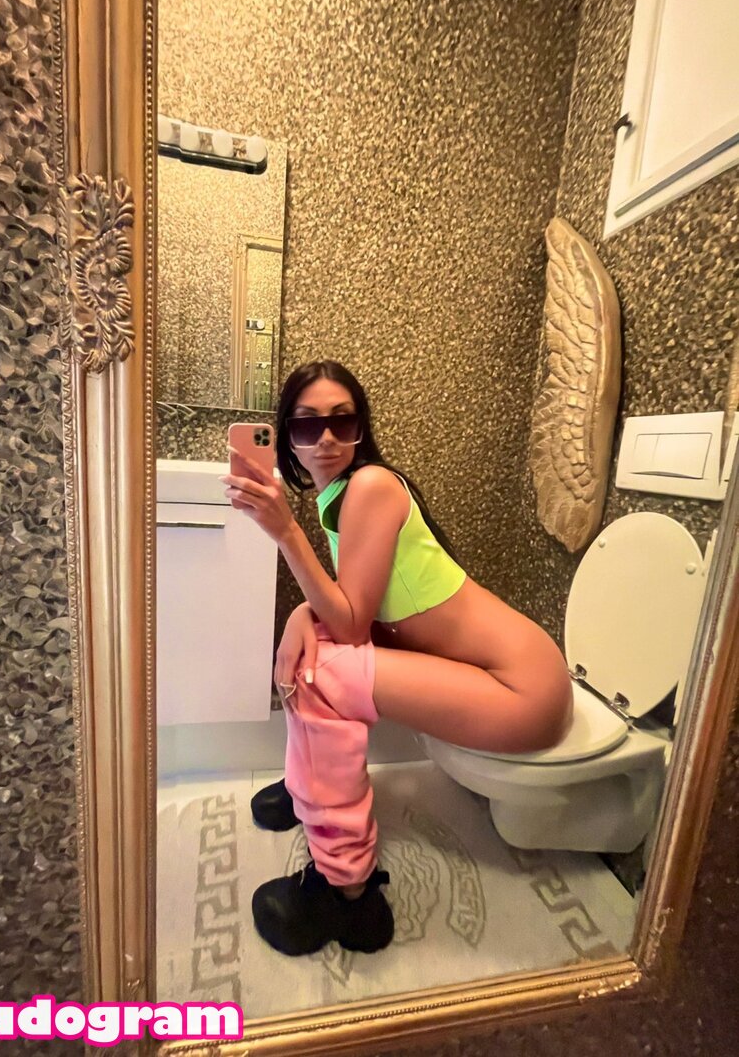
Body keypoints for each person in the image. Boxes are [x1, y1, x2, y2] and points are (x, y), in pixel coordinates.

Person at [222, 360, 573, 957]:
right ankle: (310, 790)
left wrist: (286, 534)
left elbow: (351, 622)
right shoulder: (340, 495)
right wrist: (301, 614)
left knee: (320, 673)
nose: (325, 438)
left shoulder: (371, 486)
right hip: (500, 673)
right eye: (306, 426)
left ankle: (348, 894)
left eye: (342, 421)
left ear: (360, 429)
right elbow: (352, 604)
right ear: (287, 439)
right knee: (317, 648)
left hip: (524, 690)